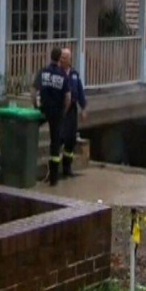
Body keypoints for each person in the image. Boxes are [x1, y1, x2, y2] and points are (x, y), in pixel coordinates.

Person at [31, 47, 71, 186]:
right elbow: (68, 97)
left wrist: (35, 107)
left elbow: (33, 91)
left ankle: (28, 158)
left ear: (50, 57)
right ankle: (53, 178)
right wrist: (64, 111)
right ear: (59, 58)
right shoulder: (63, 75)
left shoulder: (43, 72)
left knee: (32, 130)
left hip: (43, 110)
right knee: (55, 143)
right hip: (57, 113)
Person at [60, 48, 87, 178]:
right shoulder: (57, 73)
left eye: (65, 58)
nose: (63, 60)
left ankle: (67, 167)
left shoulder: (74, 74)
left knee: (71, 139)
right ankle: (54, 168)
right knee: (60, 137)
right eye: (61, 57)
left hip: (72, 110)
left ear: (70, 59)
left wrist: (83, 108)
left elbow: (80, 92)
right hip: (61, 109)